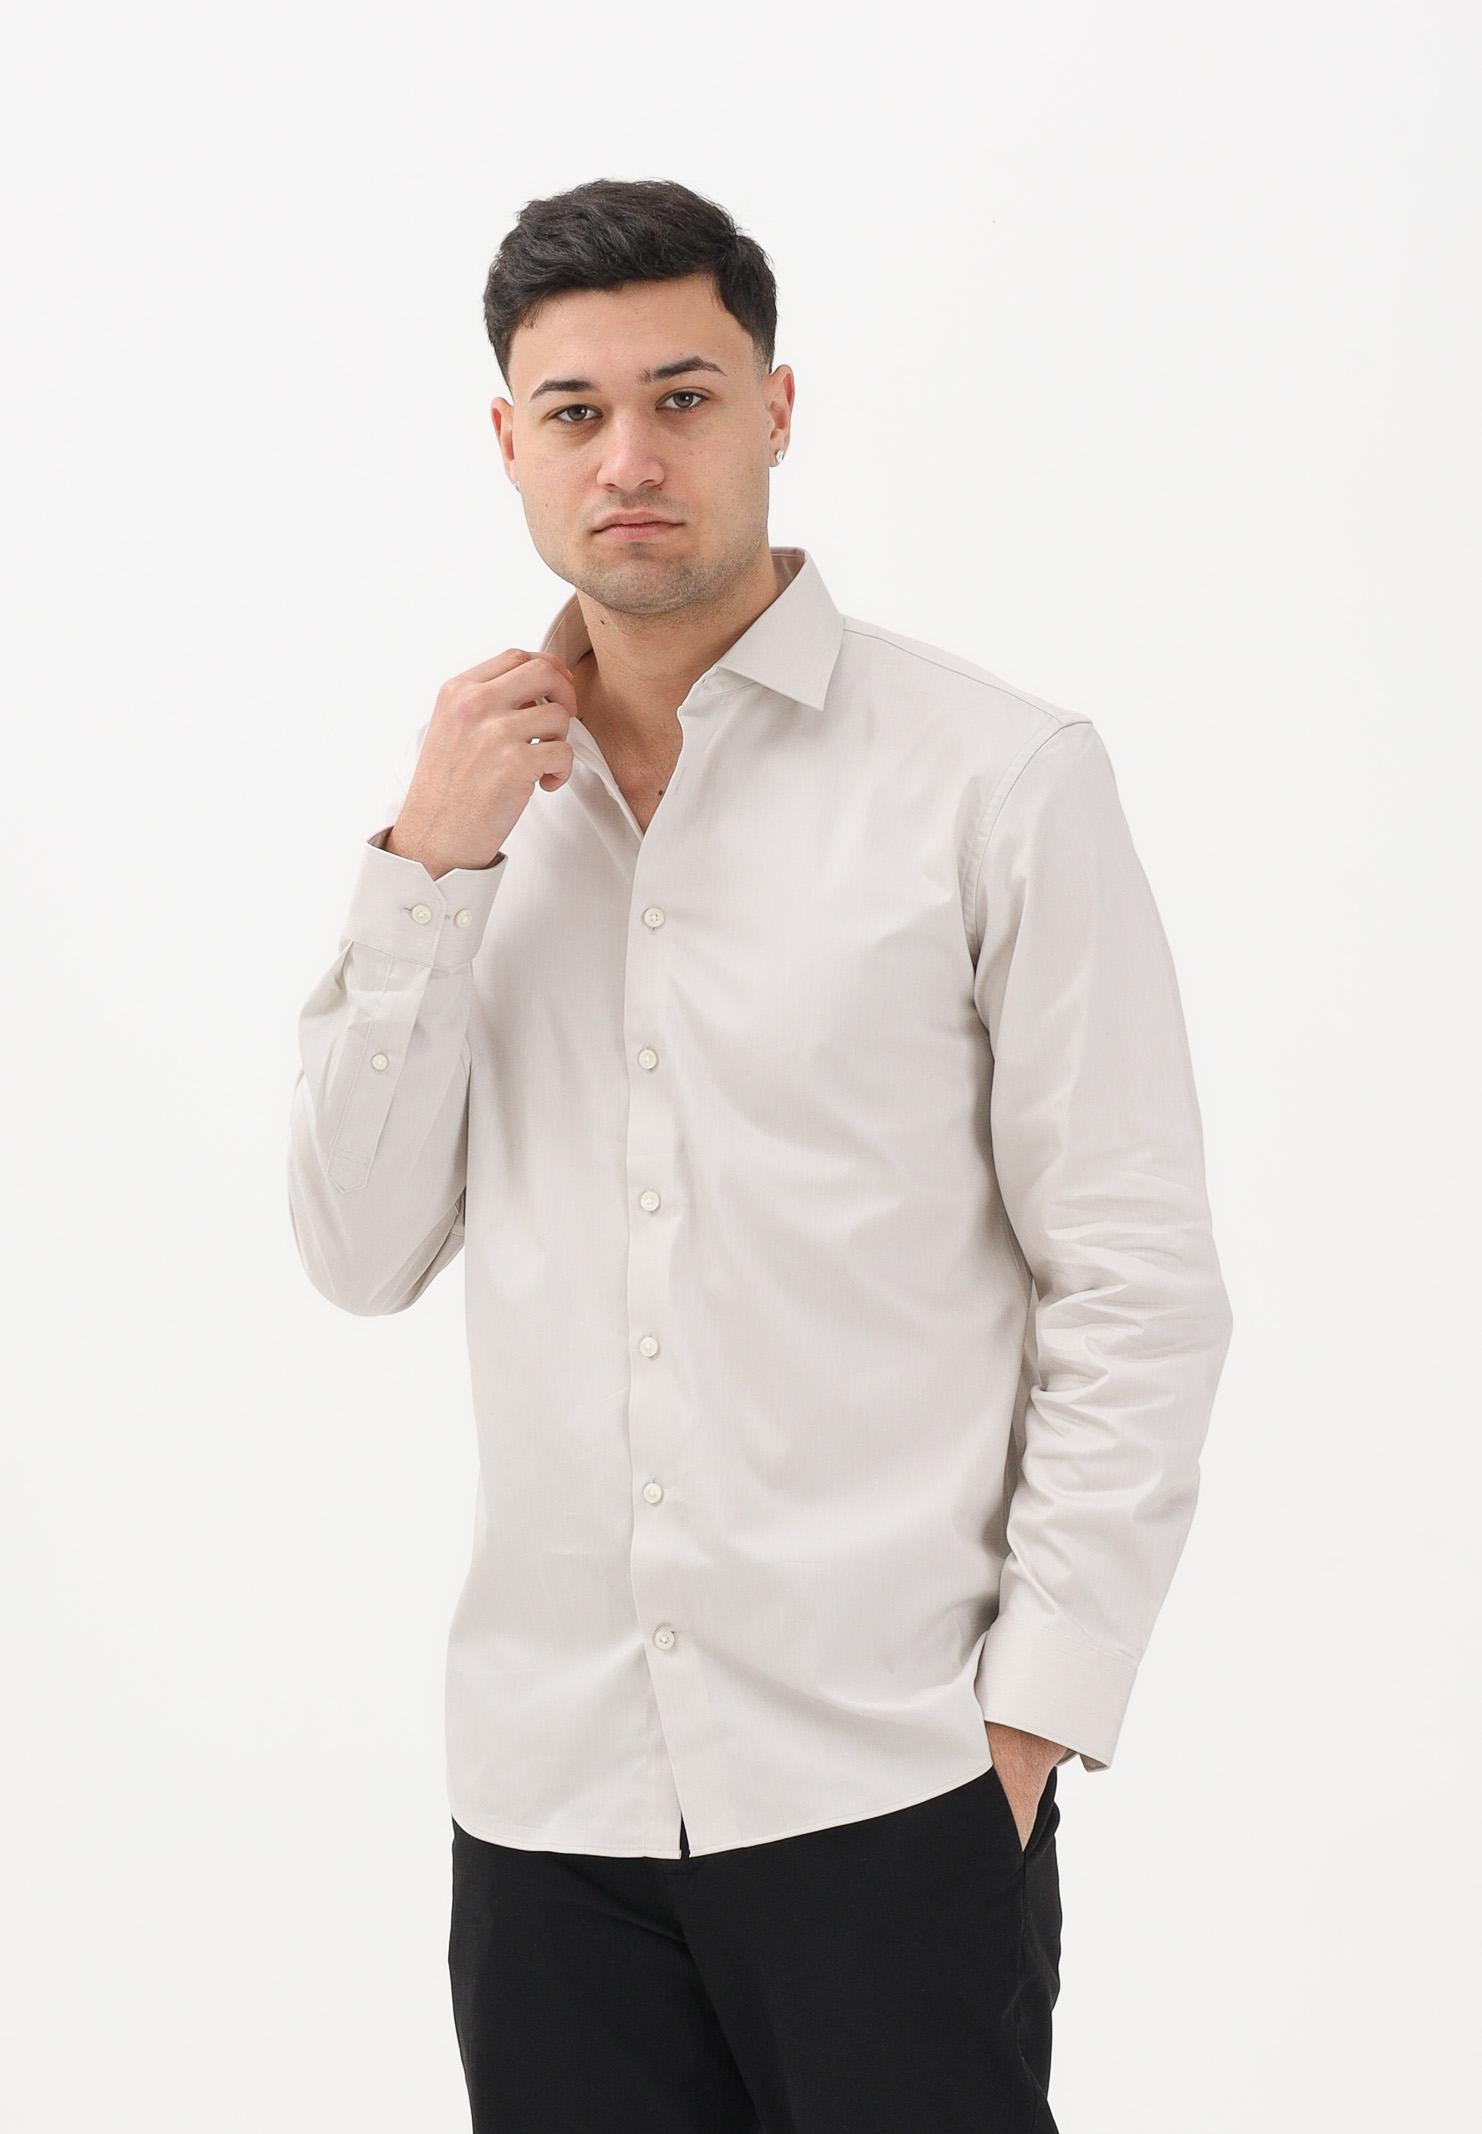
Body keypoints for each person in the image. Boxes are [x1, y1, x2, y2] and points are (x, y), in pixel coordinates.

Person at [287, 176, 1234, 2134]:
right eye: (575, 411)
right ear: (508, 441)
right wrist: (425, 871)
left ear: (777, 410)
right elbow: (358, 1250)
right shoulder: (472, 817)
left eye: (684, 397)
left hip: (889, 1789)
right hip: (544, 1808)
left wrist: (1031, 1718)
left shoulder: (994, 777)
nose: (628, 458)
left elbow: (1134, 1279)